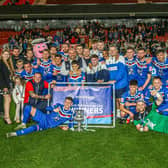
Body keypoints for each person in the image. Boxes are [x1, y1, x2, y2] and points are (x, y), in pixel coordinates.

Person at [6, 97, 74, 138]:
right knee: (27, 107)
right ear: (64, 102)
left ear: (71, 104)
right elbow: (47, 108)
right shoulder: (59, 106)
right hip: (44, 117)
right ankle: (23, 124)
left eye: (69, 103)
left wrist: (68, 127)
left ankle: (14, 134)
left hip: (47, 124)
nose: (67, 104)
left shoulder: (70, 113)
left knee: (33, 128)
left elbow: (71, 122)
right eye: (66, 102)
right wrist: (53, 109)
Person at [0, 50, 13, 124]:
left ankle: (6, 116)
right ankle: (7, 117)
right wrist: (4, 86)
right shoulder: (1, 63)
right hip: (3, 85)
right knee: (7, 99)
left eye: (8, 54)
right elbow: (0, 76)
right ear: (2, 54)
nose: (6, 56)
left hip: (9, 84)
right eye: (5, 54)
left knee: (8, 100)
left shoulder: (8, 63)